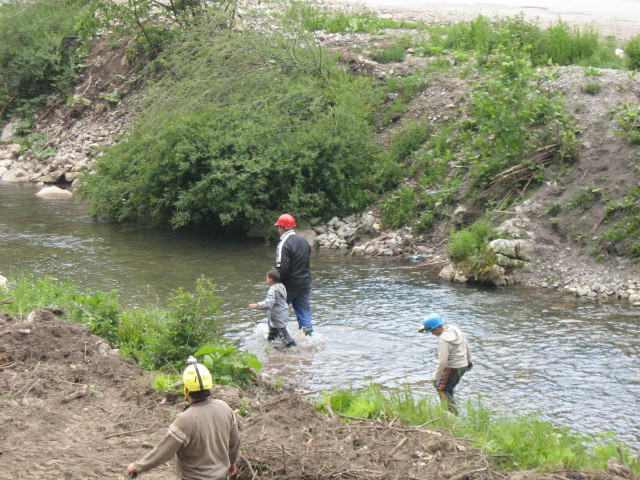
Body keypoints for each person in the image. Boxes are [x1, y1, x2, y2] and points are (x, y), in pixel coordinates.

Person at [126, 358, 240, 479]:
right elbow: (234, 442)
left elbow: (163, 452)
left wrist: (138, 466)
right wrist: (232, 462)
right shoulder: (224, 408)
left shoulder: (185, 420)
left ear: (186, 390)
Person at [419, 313, 473, 414]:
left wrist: (436, 378)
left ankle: (453, 414)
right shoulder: (454, 329)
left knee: (441, 389)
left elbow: (442, 361)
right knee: (449, 388)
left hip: (453, 367)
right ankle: (451, 409)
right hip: (463, 365)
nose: (431, 333)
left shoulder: (443, 340)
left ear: (436, 329)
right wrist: (469, 361)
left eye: (431, 331)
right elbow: (467, 345)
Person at [274, 213, 313, 336]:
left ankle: (273, 337)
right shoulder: (303, 240)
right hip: (305, 282)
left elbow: (282, 267)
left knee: (276, 310)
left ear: (282, 228)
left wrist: (276, 283)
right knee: (304, 311)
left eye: (279, 227)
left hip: (289, 285)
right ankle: (308, 338)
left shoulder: (283, 243)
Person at [249, 269, 296, 347]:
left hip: (278, 317)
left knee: (285, 337)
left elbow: (269, 303)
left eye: (267, 278)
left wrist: (257, 305)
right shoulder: (281, 286)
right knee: (271, 335)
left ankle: (294, 348)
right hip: (283, 313)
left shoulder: (272, 289)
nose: (266, 280)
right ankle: (270, 346)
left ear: (270, 280)